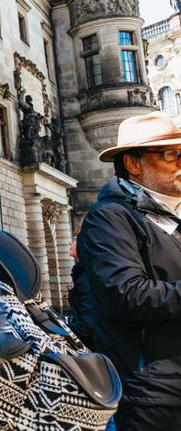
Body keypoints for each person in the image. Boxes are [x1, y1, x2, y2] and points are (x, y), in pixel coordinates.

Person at [77, 111, 181, 430]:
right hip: (152, 396)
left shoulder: (171, 216)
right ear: (134, 164)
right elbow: (127, 295)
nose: (180, 163)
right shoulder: (110, 218)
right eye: (171, 155)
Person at [67, 218, 96, 350]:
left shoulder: (86, 278)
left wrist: (60, 329)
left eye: (75, 239)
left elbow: (88, 327)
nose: (70, 242)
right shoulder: (87, 273)